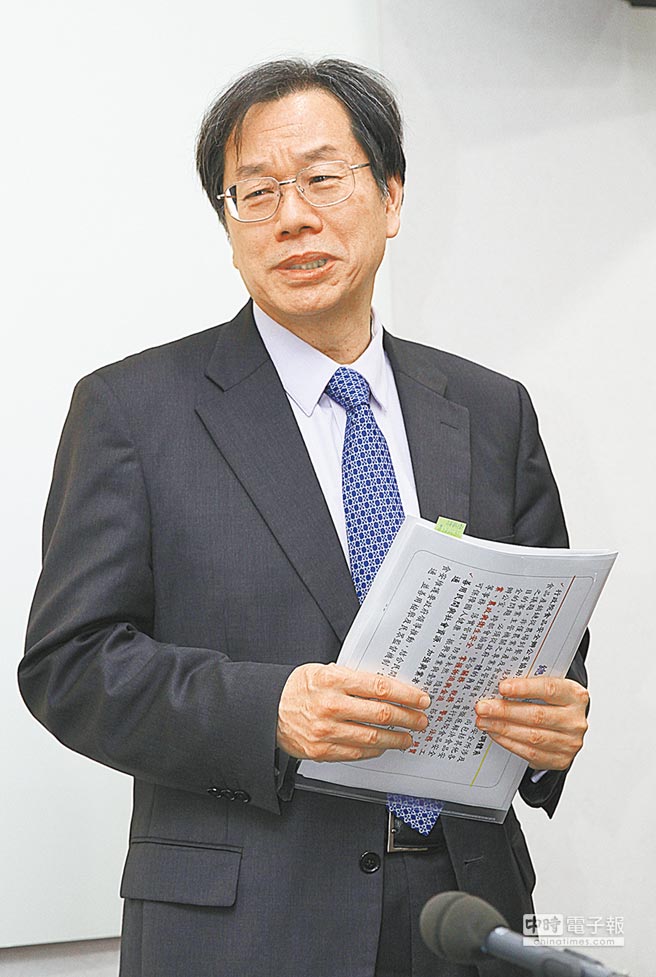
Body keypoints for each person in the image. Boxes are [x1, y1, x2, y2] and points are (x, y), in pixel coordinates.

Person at [19, 58, 589, 977]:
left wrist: (552, 730)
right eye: (256, 192)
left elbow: (547, 640)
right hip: (247, 925)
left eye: (323, 178)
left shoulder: (491, 410)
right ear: (229, 226)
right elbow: (70, 665)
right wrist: (270, 709)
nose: (292, 216)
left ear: (391, 196)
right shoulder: (134, 409)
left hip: (463, 915)